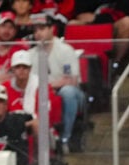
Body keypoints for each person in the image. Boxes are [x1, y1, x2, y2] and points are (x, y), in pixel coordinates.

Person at [29, 12, 88, 152]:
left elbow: (71, 80)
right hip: (44, 92)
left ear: (51, 29)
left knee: (68, 92)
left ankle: (65, 138)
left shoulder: (65, 50)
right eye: (35, 30)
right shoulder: (30, 54)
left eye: (42, 29)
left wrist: (48, 86)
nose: (38, 33)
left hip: (70, 93)